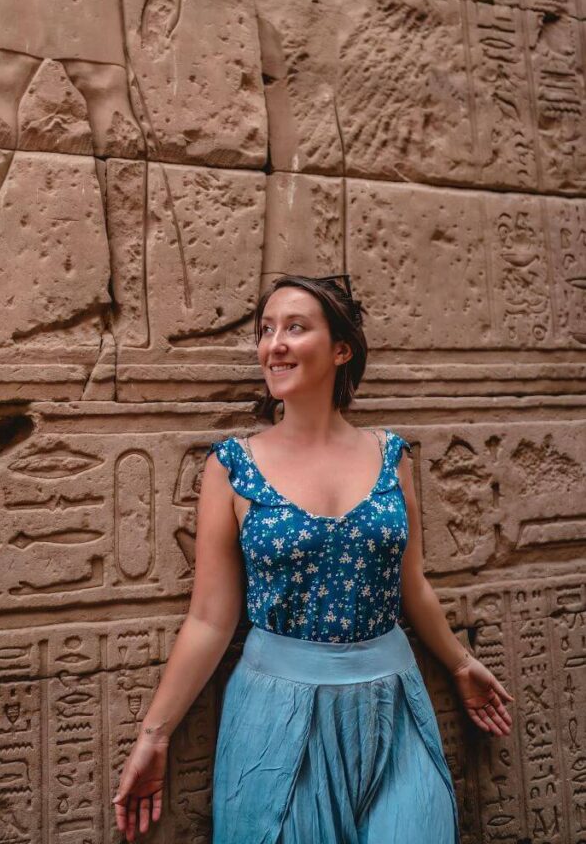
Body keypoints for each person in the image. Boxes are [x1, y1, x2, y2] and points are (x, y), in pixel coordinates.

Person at [112, 272, 514, 842]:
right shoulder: (232, 466)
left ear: (341, 348)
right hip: (275, 717)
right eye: (266, 330)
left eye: (295, 328)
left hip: (393, 706)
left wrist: (458, 664)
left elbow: (411, 581)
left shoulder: (390, 456)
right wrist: (155, 736)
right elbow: (209, 618)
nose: (273, 344)